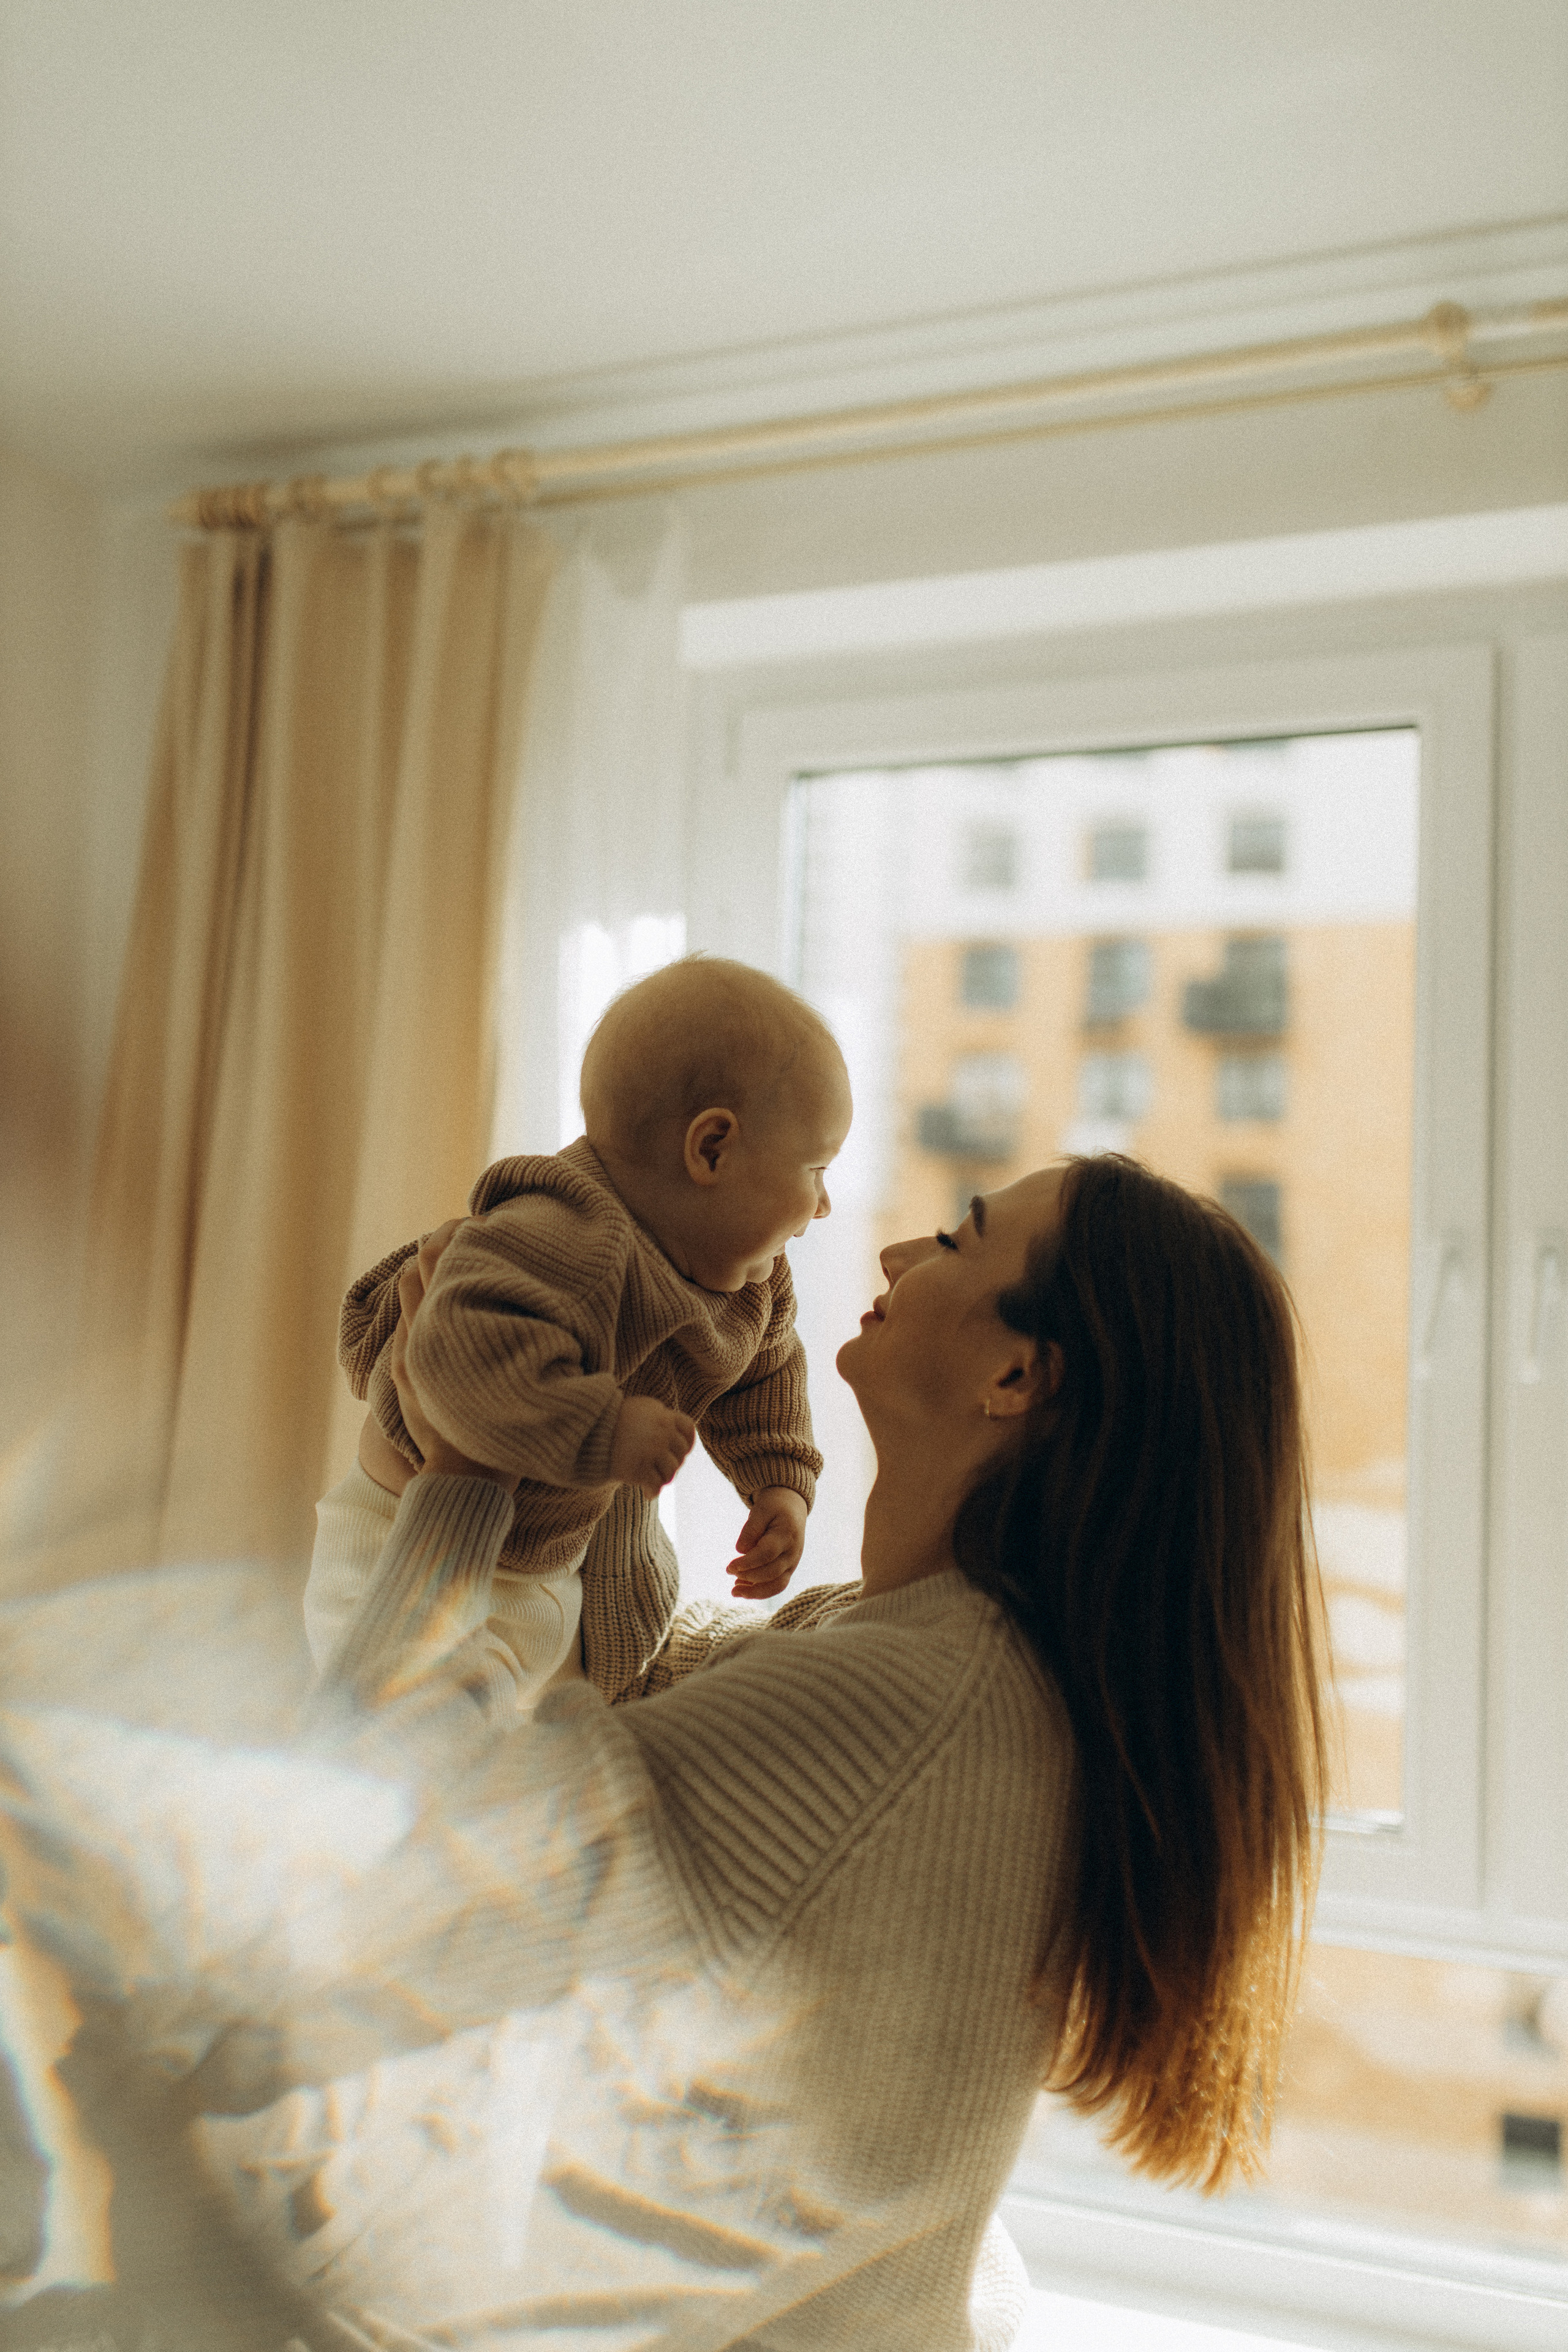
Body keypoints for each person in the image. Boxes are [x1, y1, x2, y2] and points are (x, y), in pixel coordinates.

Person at [0, 1153, 1325, 2350]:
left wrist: (462, 1482)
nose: (896, 1258)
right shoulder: (940, 1654)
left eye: (961, 1240)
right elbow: (659, 1675)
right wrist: (601, 1416)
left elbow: (396, 1841)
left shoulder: (920, 1698)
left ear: (1015, 1375)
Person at [305, 956, 853, 1714]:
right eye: (816, 1168)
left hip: (553, 1563)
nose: (823, 1206)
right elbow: (460, 1351)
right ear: (713, 1149)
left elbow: (767, 1370)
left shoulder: (747, 1277)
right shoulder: (566, 1233)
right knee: (431, 1736)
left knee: (548, 1716)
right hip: (416, 1554)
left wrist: (780, 1483)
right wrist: (603, 1427)